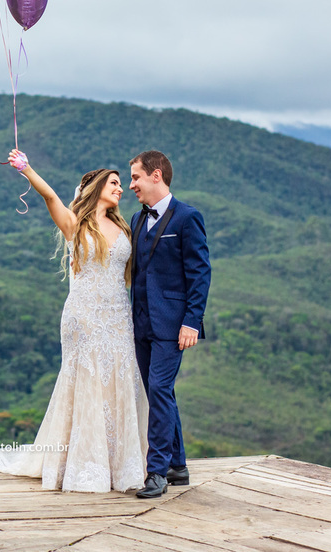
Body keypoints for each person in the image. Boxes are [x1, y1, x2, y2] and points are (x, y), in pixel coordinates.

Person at [0, 149, 148, 493]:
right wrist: (26, 168)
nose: (120, 189)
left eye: (122, 184)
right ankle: (83, 465)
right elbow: (50, 195)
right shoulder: (76, 224)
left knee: (120, 380)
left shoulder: (125, 227)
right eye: (115, 183)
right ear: (96, 187)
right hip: (83, 316)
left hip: (119, 315)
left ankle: (119, 464)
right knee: (87, 380)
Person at [127, 149, 211, 498]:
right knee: (160, 392)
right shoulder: (135, 219)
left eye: (136, 177)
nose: (132, 185)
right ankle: (178, 465)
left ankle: (157, 473)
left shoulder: (187, 218)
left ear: (156, 175)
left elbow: (200, 271)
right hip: (140, 323)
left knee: (160, 391)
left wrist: (192, 321)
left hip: (173, 325)